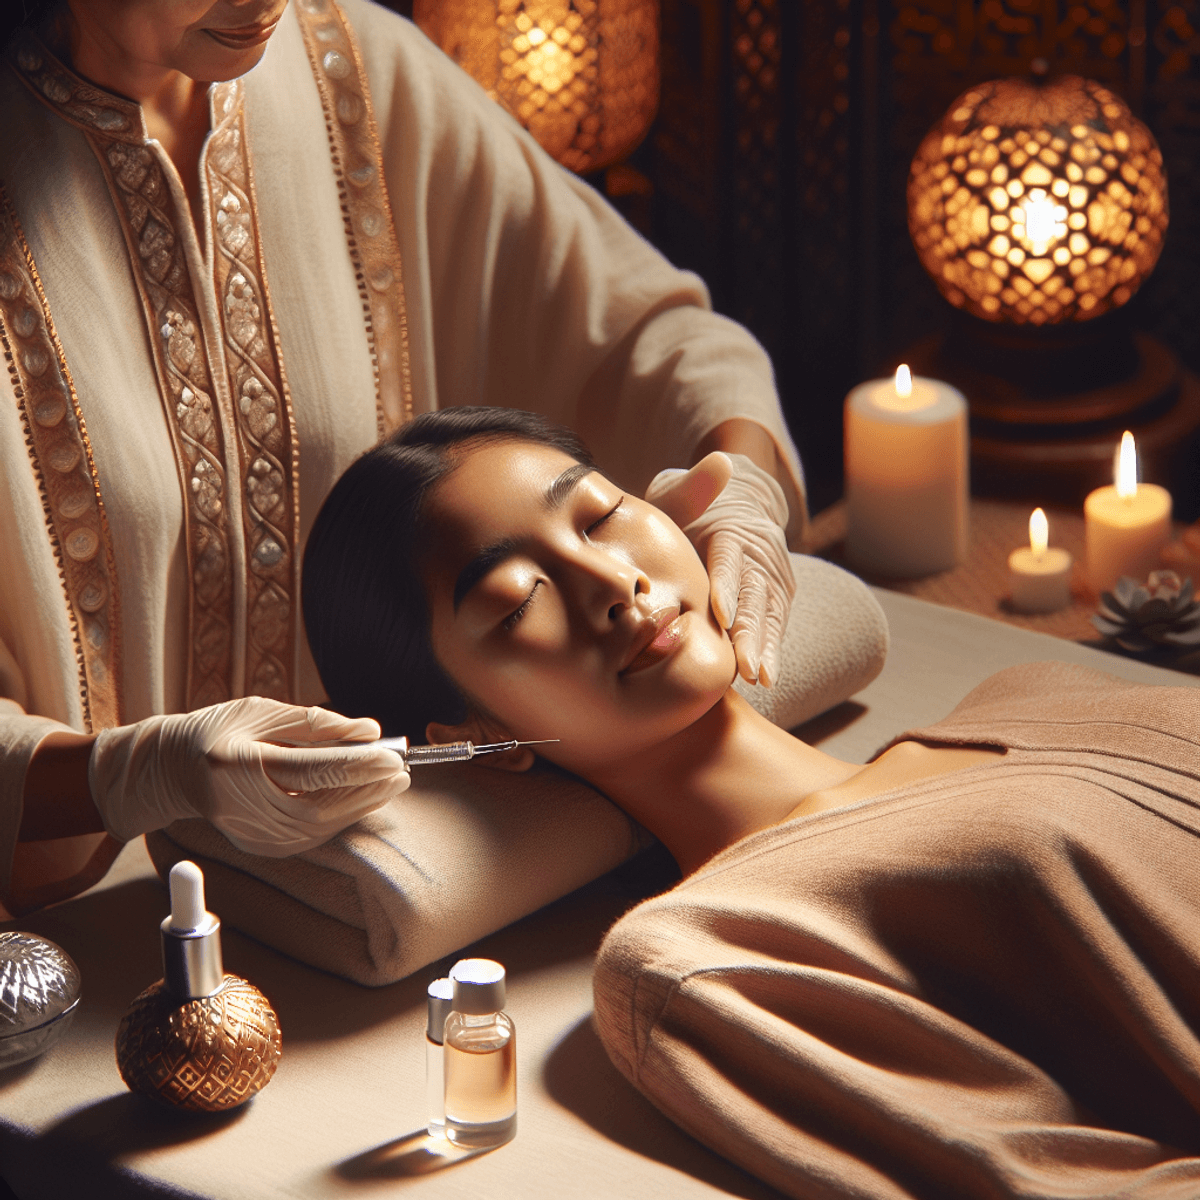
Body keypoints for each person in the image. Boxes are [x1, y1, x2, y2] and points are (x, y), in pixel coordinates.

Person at [0, 0, 804, 915]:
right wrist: (139, 775)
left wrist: (742, 492)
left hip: (417, 877)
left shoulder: (352, 64)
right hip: (72, 940)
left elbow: (657, 341)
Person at [303, 406, 1200, 1200]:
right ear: (470, 729)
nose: (614, 584)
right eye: (517, 600)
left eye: (604, 516)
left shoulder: (1032, 688)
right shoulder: (708, 961)